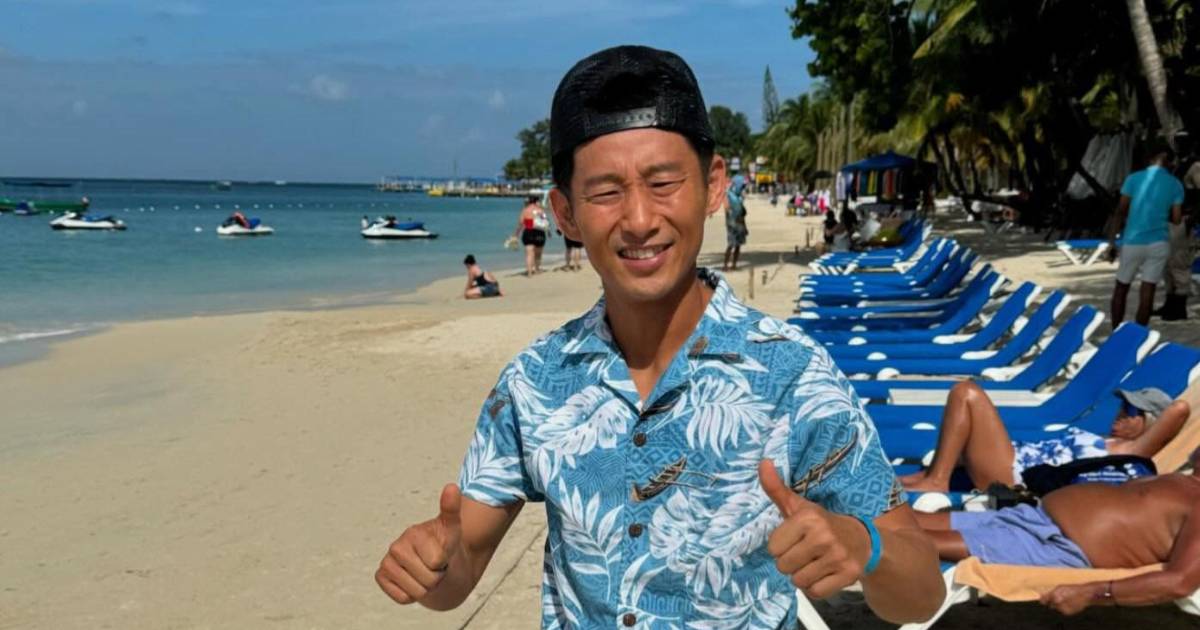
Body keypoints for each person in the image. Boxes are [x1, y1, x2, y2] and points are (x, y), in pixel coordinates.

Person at [375, 44, 944, 628]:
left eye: (663, 182)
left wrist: (864, 545)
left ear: (713, 186)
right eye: (605, 192)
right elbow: (461, 568)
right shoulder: (535, 380)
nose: (640, 220)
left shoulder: (793, 374)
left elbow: (922, 595)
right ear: (565, 214)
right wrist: (432, 569)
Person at [915, 448, 1200, 616]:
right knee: (909, 520)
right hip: (1031, 517)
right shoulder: (1182, 481)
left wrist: (1095, 593)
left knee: (915, 541)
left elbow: (1179, 581)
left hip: (1052, 546)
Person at [899, 382, 1189, 493]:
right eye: (1122, 406)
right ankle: (929, 478)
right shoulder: (1107, 440)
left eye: (1132, 411)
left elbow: (1180, 409)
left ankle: (936, 481)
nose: (1120, 414)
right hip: (1013, 458)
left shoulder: (1134, 454)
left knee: (967, 393)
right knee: (907, 480)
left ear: (1151, 424)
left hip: (1014, 476)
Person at [1108, 143, 1185, 326]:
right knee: (1148, 290)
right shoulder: (1175, 184)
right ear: (1167, 160)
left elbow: (1120, 211)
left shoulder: (1133, 179)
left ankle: (1115, 332)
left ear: (1150, 158)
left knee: (1121, 288)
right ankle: (1140, 334)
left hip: (1133, 241)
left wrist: (1112, 241)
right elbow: (1176, 219)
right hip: (1159, 242)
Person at [1155, 151, 1200, 319]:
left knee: (1179, 263)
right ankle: (1170, 302)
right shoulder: (1177, 165)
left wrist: (1192, 219)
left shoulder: (1195, 166)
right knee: (1167, 264)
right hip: (1168, 219)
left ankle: (1179, 307)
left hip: (1182, 220)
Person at [514, 194, 550, 275]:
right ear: (537, 201)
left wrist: (516, 234)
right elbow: (546, 222)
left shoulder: (525, 210)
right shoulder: (540, 210)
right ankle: (537, 269)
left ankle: (529, 272)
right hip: (539, 232)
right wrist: (548, 233)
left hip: (528, 231)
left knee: (529, 254)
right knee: (538, 254)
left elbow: (520, 223)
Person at [723, 167, 748, 270]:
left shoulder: (740, 196)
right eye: (742, 185)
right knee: (731, 244)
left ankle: (734, 265)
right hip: (732, 223)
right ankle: (725, 265)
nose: (743, 187)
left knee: (738, 245)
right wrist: (732, 217)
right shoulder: (728, 194)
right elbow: (726, 208)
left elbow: (742, 209)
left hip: (740, 222)